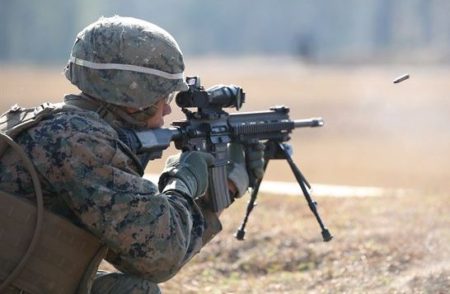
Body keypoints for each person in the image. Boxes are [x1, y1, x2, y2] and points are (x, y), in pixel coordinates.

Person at [0, 16, 264, 293]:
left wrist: (223, 188)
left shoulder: (57, 126)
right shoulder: (80, 142)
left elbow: (138, 249)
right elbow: (158, 255)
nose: (167, 111)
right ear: (134, 98)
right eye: (164, 98)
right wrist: (183, 182)